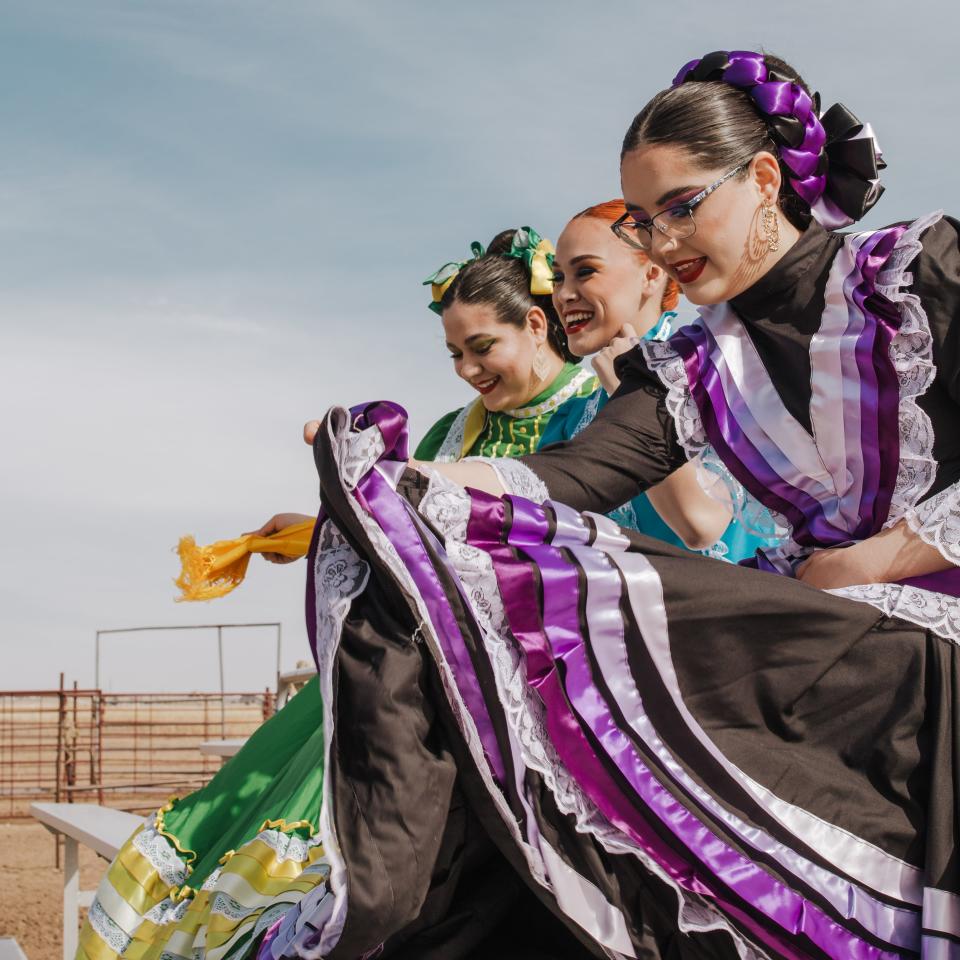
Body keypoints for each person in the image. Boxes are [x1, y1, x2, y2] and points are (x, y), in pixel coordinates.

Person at [296, 50, 960, 959]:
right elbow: (572, 473)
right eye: (645, 224)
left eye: (682, 208)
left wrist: (877, 560)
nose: (664, 245)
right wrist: (396, 477)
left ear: (764, 178)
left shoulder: (917, 274)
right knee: (542, 630)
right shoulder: (692, 364)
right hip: (833, 629)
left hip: (930, 633)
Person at [543, 199, 780, 560]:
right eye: (558, 278)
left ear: (653, 274)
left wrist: (629, 391)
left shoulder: (715, 376)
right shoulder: (569, 421)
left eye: (586, 271)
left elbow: (699, 525)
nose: (563, 294)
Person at [414, 226, 598, 461]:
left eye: (483, 347)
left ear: (535, 325)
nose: (467, 370)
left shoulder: (608, 412)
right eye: (456, 354)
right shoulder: (445, 438)